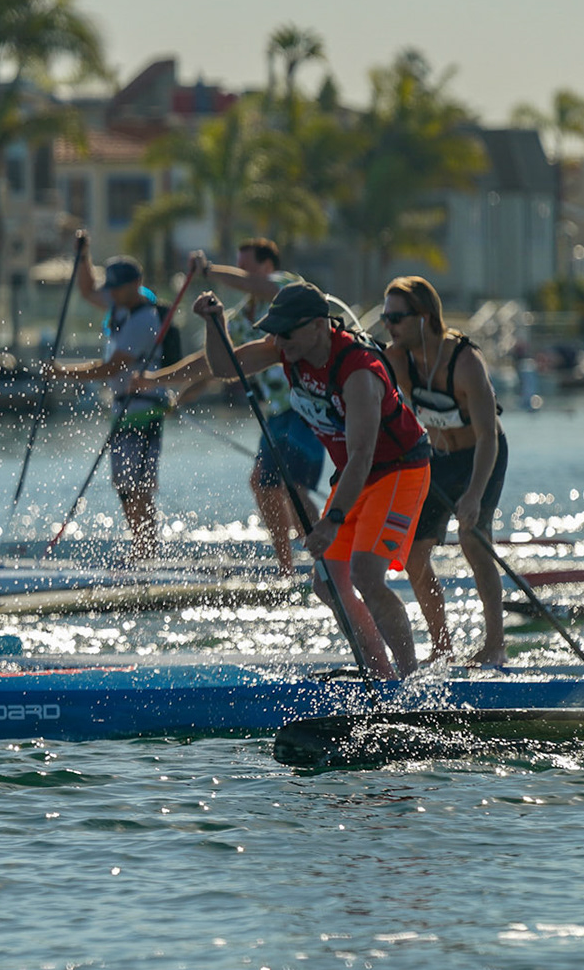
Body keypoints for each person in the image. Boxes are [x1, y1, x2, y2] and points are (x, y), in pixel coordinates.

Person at [153, 282, 431, 679]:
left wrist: (331, 520)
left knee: (366, 575)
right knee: (328, 585)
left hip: (398, 470)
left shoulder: (360, 373)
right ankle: (380, 675)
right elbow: (225, 367)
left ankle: (409, 682)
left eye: (286, 331)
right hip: (357, 476)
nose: (277, 340)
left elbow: (363, 456)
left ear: (319, 326)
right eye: (275, 332)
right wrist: (214, 324)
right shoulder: (288, 350)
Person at [381, 276, 510, 665]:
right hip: (435, 459)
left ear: (424, 317)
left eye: (397, 318)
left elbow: (488, 436)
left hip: (480, 456)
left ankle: (495, 645)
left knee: (473, 541)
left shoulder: (466, 362)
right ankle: (442, 648)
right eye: (386, 317)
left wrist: (472, 495)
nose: (389, 325)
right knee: (414, 557)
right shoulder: (397, 358)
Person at [184, 239, 325, 574]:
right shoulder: (239, 318)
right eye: (239, 266)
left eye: (246, 266)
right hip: (274, 414)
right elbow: (212, 362)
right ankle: (286, 568)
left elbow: (255, 285)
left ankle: (326, 562)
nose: (241, 274)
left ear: (267, 266)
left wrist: (209, 271)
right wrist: (156, 382)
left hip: (303, 407)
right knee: (262, 482)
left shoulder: (286, 288)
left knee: (294, 485)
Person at [44, 243, 172, 558]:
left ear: (134, 285)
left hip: (143, 408)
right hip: (123, 409)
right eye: (110, 288)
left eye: (117, 288)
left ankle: (146, 553)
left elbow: (110, 368)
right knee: (125, 487)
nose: (110, 294)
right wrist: (84, 253)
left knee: (137, 488)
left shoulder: (144, 319)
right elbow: (88, 290)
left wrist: (62, 373)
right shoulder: (120, 305)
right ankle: (142, 550)